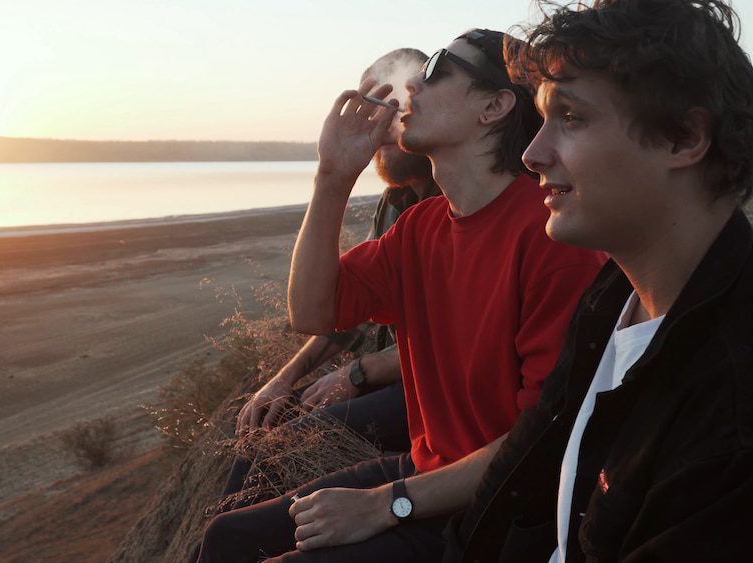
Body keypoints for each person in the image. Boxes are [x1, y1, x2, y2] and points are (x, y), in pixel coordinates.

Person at [443, 1, 753, 561]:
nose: (533, 153)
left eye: (571, 118)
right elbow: (512, 484)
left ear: (682, 137)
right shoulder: (617, 297)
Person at [195, 29, 606, 562]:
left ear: (494, 105)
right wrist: (332, 177)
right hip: (427, 469)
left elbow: (537, 443)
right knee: (225, 540)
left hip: (494, 509)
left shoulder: (548, 237)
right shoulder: (421, 227)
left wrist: (387, 504)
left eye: (436, 68)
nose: (412, 82)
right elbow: (313, 310)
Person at [223, 48, 439, 505]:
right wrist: (285, 376)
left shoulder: (453, 200)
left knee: (285, 446)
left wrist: (359, 373)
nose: (378, 124)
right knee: (263, 422)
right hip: (393, 379)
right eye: (367, 108)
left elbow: (459, 329)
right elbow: (347, 314)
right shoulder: (395, 204)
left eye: (394, 104)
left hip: (427, 388)